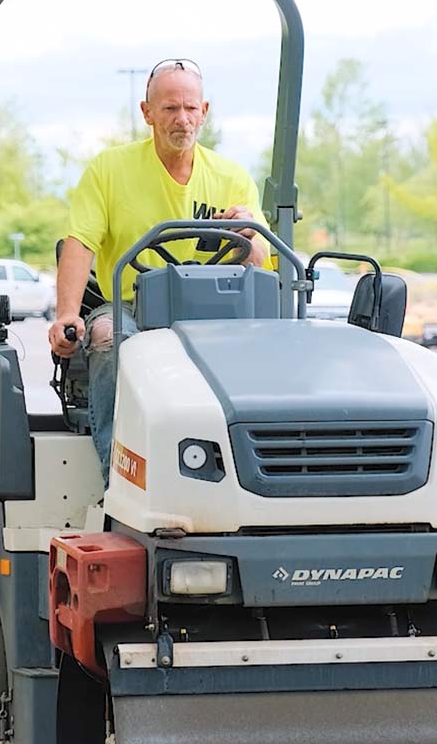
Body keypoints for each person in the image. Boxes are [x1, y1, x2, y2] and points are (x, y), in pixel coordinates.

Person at [47, 58, 272, 480]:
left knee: (263, 349)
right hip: (133, 304)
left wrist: (249, 236)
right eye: (169, 109)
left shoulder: (232, 176)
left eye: (190, 108)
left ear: (204, 111)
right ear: (147, 112)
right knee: (108, 335)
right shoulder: (109, 170)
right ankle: (121, 478)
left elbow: (262, 258)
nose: (181, 119)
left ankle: (249, 475)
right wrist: (66, 314)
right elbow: (81, 242)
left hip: (215, 312)